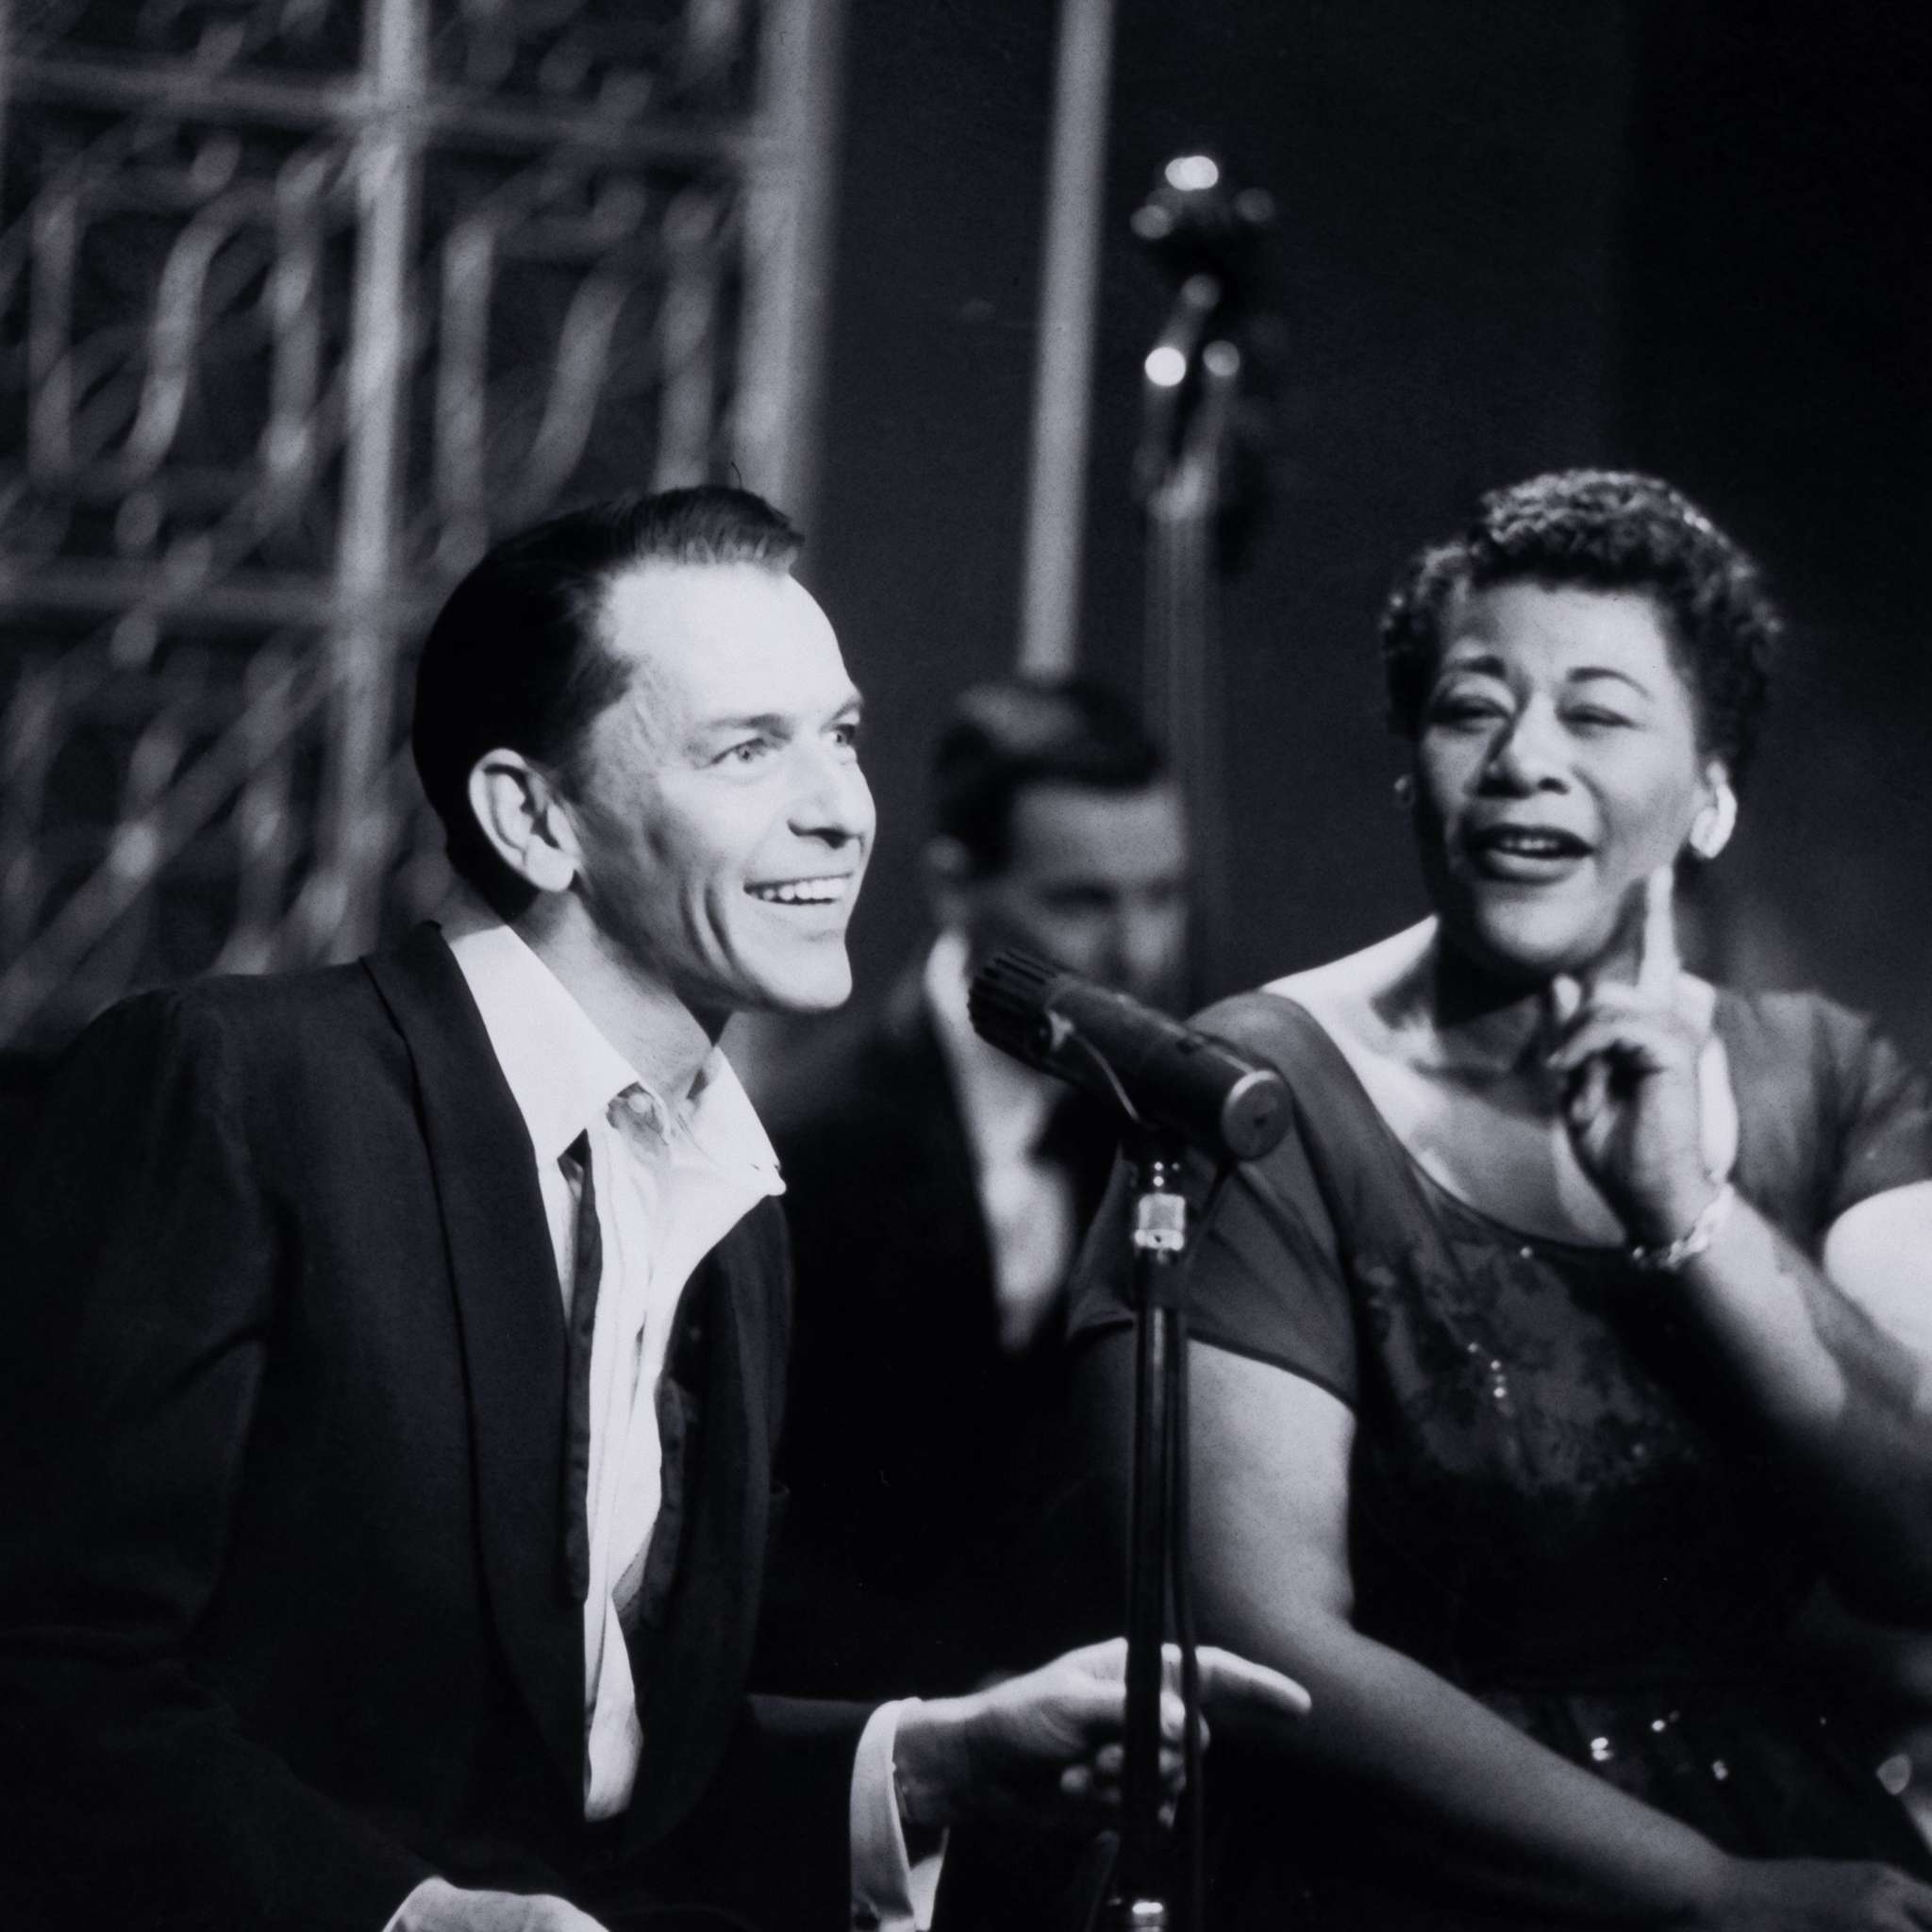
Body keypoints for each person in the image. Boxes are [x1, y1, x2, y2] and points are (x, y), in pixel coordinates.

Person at [0, 488, 1307, 1932]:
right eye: (747, 749)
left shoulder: (733, 1213)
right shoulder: (243, 1085)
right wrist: (404, 1917)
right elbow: (49, 1677)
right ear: (533, 816)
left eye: (842, 736)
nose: (841, 810)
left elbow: (603, 1779)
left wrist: (926, 1758)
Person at [1069, 469, 1932, 1927]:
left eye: (1598, 715)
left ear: (1714, 794)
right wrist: (1707, 1897)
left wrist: (1689, 1213)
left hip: (1807, 1849)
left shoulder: (1828, 1078)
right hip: (1417, 1883)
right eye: (1474, 708)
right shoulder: (1256, 1092)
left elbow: (1919, 1546)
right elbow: (1259, 1634)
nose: (1525, 758)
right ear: (1413, 766)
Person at [757, 678, 1188, 1700]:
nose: (1136, 953)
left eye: (1163, 895)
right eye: (1081, 901)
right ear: (955, 887)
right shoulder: (802, 1141)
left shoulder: (1170, 1113)